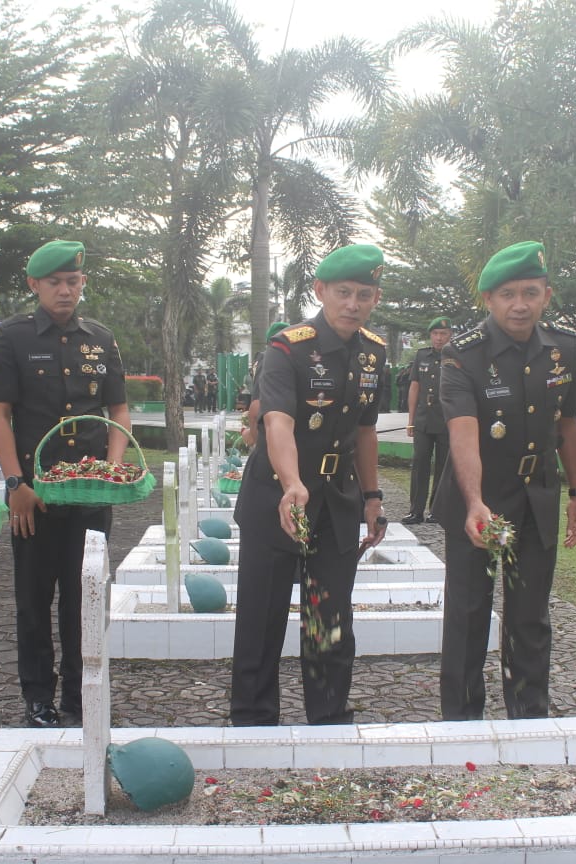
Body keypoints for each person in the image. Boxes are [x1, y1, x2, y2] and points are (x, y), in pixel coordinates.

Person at [230, 243, 388, 726]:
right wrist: (292, 483)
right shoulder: (288, 349)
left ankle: (329, 715)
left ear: (375, 298)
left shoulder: (373, 355)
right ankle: (253, 720)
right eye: (343, 292)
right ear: (320, 291)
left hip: (336, 502)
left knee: (330, 616)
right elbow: (276, 422)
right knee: (263, 615)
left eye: (364, 294)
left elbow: (364, 431)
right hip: (276, 496)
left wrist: (373, 497)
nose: (353, 304)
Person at [434, 240, 576, 720]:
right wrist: (476, 501)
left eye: (530, 292)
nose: (519, 304)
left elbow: (566, 424)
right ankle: (461, 722)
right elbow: (463, 433)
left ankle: (529, 717)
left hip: (536, 496)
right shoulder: (463, 356)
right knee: (469, 614)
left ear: (546, 293)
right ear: (488, 300)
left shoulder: (563, 350)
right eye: (507, 294)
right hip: (475, 498)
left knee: (530, 616)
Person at [0, 239, 131, 728]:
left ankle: (79, 691)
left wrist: (110, 470)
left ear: (83, 282)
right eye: (54, 283)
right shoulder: (12, 337)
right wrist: (14, 482)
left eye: (72, 281)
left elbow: (117, 411)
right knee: (33, 598)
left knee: (85, 595)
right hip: (36, 496)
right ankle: (37, 697)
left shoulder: (101, 338)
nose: (65, 290)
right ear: (35, 285)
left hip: (91, 493)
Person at [404, 316, 453, 524]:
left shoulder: (457, 357)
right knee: (420, 463)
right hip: (424, 418)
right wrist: (411, 419)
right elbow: (414, 387)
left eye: (443, 334)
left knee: (443, 466)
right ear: (430, 336)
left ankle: (438, 510)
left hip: (446, 420)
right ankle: (416, 510)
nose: (439, 338)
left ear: (450, 335)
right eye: (435, 334)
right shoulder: (422, 356)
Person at [240, 321, 288, 449]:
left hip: (270, 441)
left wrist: (251, 435)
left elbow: (256, 410)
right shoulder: (300, 361)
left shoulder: (268, 359)